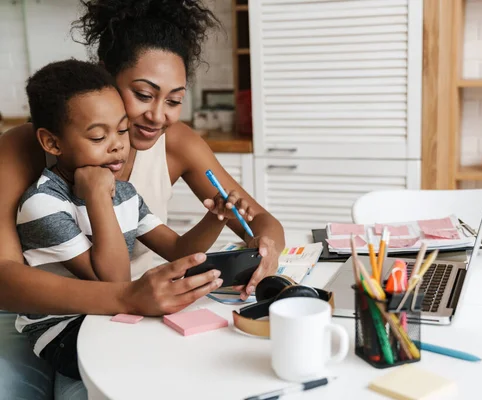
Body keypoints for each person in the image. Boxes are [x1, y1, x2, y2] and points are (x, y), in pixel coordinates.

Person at [0, 0, 285, 398]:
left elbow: (260, 222)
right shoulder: (24, 149)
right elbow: (5, 278)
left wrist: (267, 248)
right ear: (107, 80)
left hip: (146, 310)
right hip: (63, 315)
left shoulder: (176, 144)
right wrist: (126, 296)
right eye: (143, 94)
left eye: (173, 100)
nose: (158, 116)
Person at [17, 58, 258, 381]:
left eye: (121, 130)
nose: (118, 145)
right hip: (63, 330)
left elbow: (178, 249)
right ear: (52, 143)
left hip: (109, 314)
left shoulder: (124, 192)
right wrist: (99, 198)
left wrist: (215, 217)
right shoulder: (43, 203)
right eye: (98, 137)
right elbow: (114, 280)